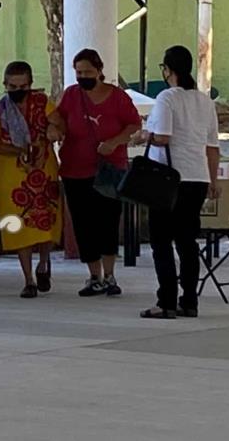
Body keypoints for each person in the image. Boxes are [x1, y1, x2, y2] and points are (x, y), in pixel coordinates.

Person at [47, 49, 141, 297]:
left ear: (100, 71)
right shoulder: (72, 95)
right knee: (83, 224)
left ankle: (110, 275)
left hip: (109, 169)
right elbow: (60, 117)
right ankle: (93, 275)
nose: (83, 76)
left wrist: (115, 141)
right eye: (79, 72)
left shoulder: (118, 97)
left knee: (108, 221)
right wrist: (55, 128)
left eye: (88, 72)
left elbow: (133, 123)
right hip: (74, 170)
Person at [136, 45, 220, 319]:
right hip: (197, 177)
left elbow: (162, 137)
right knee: (187, 242)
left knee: (161, 241)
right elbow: (212, 147)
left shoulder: (166, 97)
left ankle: (166, 301)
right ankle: (190, 300)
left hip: (169, 180)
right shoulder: (205, 101)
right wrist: (213, 179)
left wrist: (142, 136)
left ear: (167, 70)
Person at [0, 61, 62, 298]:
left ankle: (43, 263)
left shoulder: (43, 103)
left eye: (22, 85)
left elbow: (59, 123)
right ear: (5, 85)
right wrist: (19, 151)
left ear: (30, 85)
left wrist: (54, 129)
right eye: (12, 86)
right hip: (12, 172)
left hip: (42, 169)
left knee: (46, 221)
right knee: (19, 224)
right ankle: (28, 279)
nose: (17, 90)